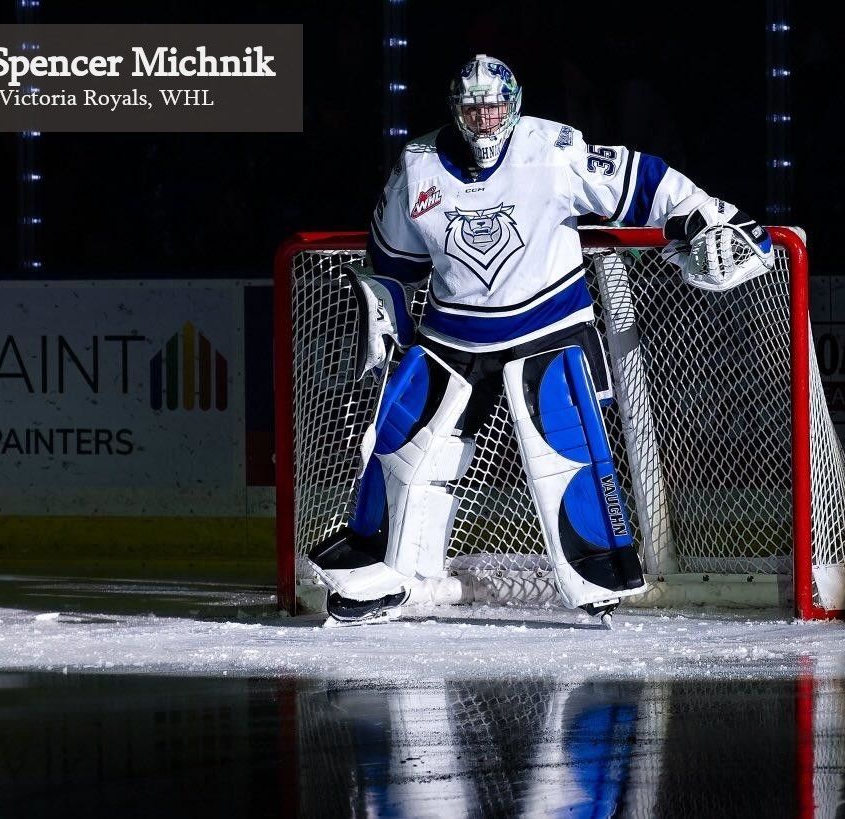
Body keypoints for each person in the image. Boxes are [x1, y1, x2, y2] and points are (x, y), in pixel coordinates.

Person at [308, 54, 774, 626]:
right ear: (456, 108)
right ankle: (389, 571)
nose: (484, 118)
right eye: (473, 108)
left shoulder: (553, 149)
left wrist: (712, 218)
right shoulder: (418, 163)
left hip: (548, 325)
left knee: (564, 451)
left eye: (494, 106)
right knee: (402, 444)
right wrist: (387, 318)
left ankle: (595, 572)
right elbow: (391, 263)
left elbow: (642, 179)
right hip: (451, 331)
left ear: (514, 104)